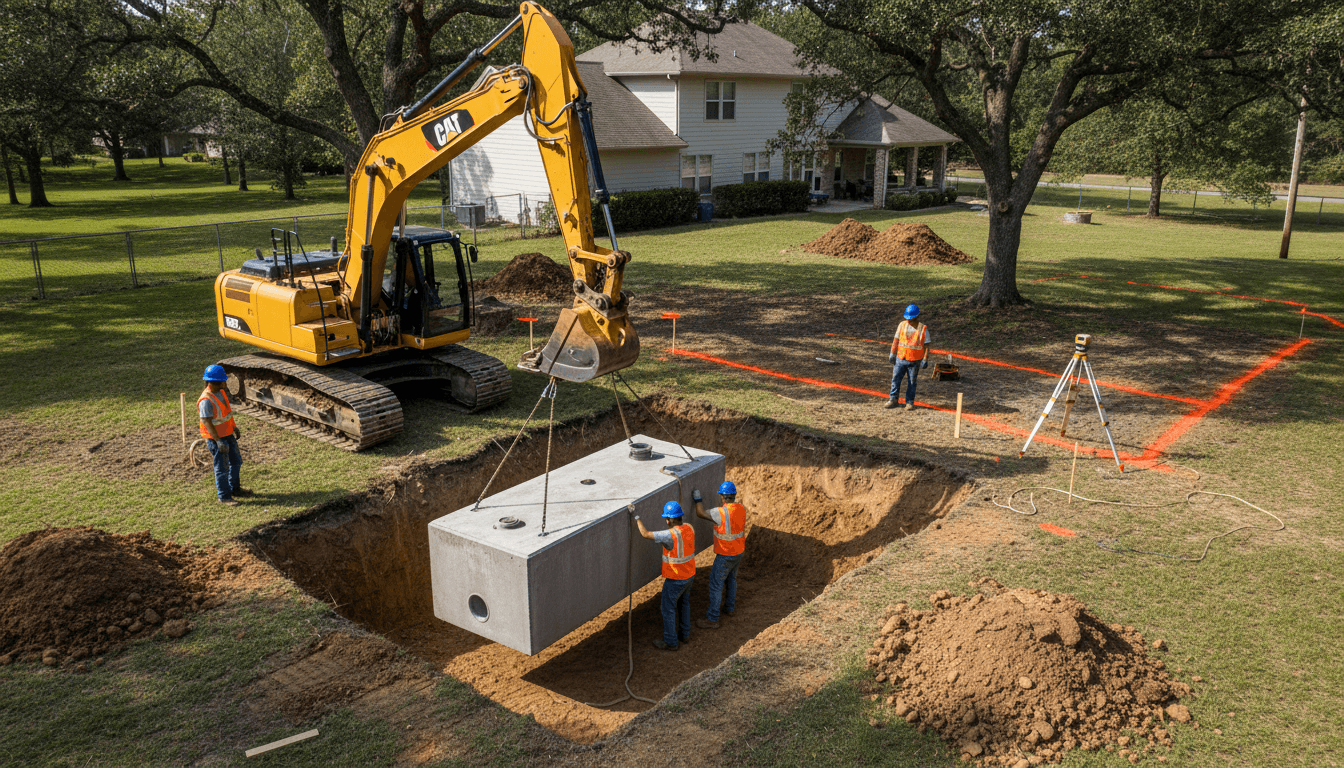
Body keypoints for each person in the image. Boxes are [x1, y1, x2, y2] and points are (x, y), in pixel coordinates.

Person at [634, 501, 696, 651]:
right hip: (689, 575)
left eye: (667, 519)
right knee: (684, 604)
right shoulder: (689, 528)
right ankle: (685, 635)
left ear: (670, 520)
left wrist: (636, 517)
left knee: (667, 608)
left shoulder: (669, 535)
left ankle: (671, 641)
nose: (666, 522)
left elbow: (645, 534)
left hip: (676, 579)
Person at [693, 481, 746, 629]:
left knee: (715, 585)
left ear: (722, 497)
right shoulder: (741, 508)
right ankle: (729, 607)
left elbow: (700, 513)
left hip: (726, 554)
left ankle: (713, 618)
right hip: (739, 551)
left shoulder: (720, 512)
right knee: (731, 579)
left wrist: (698, 500)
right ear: (734, 495)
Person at [198, 364, 250, 506]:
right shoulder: (206, 401)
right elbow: (207, 422)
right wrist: (218, 441)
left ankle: (235, 489)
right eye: (224, 380)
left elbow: (225, 414)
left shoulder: (220, 392)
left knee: (236, 462)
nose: (226, 382)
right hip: (217, 439)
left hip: (228, 434)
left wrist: (234, 427)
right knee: (222, 468)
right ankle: (224, 497)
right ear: (218, 381)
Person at [887, 303, 931, 410]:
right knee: (896, 379)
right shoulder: (902, 325)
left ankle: (909, 402)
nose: (908, 320)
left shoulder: (923, 328)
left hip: (915, 360)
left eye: (911, 318)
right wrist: (892, 353)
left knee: (912, 382)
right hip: (901, 358)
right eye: (907, 318)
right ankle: (893, 399)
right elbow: (896, 340)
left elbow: (927, 346)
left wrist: (925, 359)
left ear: (917, 316)